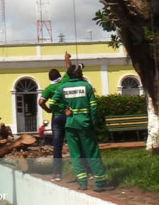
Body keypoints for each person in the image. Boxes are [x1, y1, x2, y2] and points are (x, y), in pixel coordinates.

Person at [51, 64, 113, 192]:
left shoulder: (62, 87)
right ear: (79, 74)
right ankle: (99, 181)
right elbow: (93, 107)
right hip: (85, 124)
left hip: (70, 124)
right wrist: (93, 123)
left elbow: (52, 103)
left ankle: (82, 182)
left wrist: (63, 110)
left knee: (75, 154)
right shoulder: (87, 86)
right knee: (92, 152)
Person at [38, 52, 73, 181]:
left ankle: (57, 174)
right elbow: (69, 68)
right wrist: (66, 58)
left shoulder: (49, 89)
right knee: (74, 143)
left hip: (57, 117)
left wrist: (48, 110)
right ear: (59, 75)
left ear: (50, 78)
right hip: (69, 115)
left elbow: (41, 102)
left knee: (57, 145)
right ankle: (86, 171)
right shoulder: (65, 80)